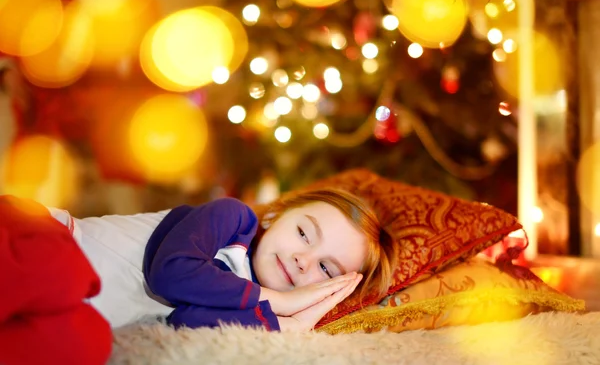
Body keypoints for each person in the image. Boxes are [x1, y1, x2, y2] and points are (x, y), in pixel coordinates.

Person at [1, 187, 396, 338]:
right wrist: (281, 303)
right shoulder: (232, 219)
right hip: (42, 241)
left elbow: (186, 322)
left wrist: (287, 325)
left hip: (59, 306)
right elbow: (172, 275)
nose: (303, 259)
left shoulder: (249, 301)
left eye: (326, 270)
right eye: (304, 233)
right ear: (274, 217)